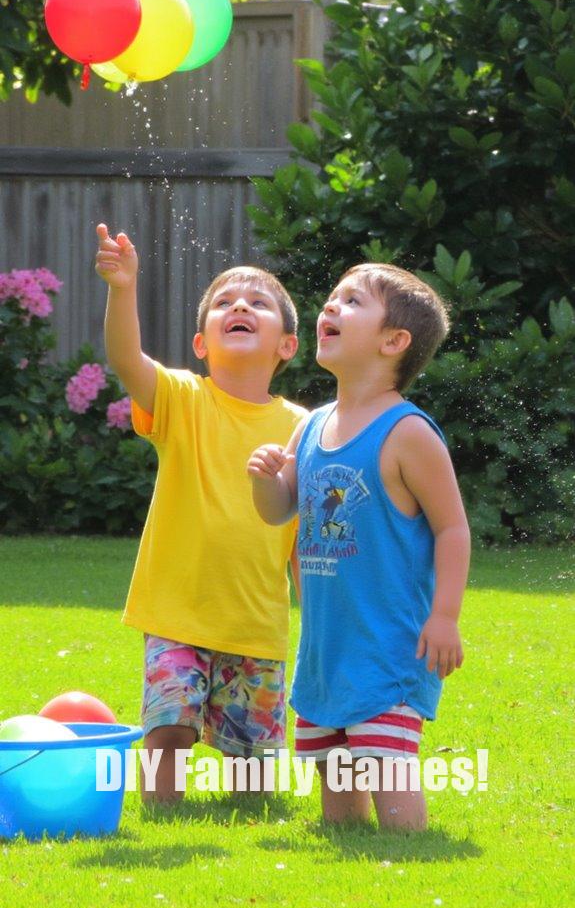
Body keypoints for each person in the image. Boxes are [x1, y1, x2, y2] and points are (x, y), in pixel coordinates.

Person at [248, 262, 470, 831]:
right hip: (327, 652)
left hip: (387, 649)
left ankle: (410, 857)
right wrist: (264, 480)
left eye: (351, 302)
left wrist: (444, 618)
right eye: (331, 298)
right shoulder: (313, 425)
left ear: (394, 341)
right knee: (337, 808)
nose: (329, 308)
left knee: (389, 781)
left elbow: (452, 528)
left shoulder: (408, 433)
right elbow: (280, 511)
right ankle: (356, 876)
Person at [95, 223, 307, 803]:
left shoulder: (305, 430)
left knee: (254, 771)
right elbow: (124, 356)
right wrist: (123, 286)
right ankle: (162, 812)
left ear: (286, 345)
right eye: (224, 303)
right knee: (168, 730)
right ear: (201, 344)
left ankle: (250, 810)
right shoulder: (182, 399)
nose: (239, 304)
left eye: (258, 303)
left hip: (257, 624)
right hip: (177, 612)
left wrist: (317, 619)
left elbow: (302, 540)